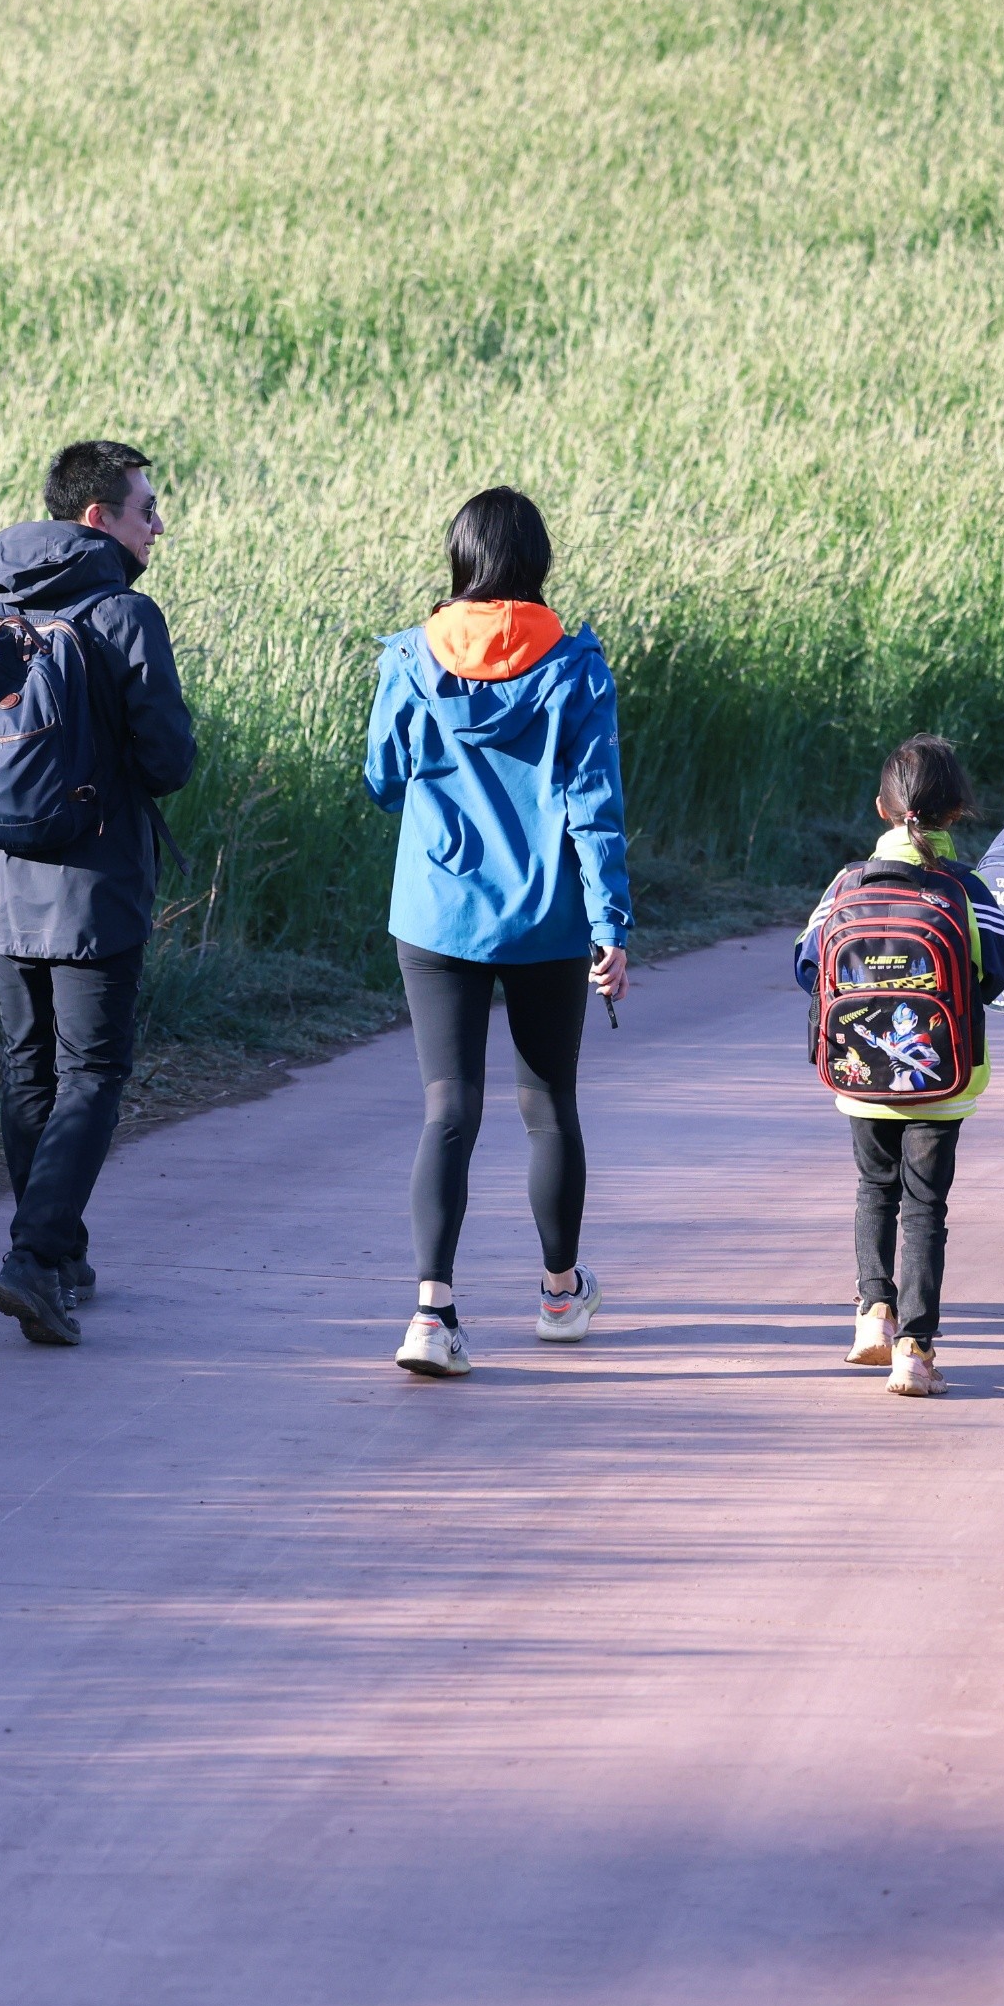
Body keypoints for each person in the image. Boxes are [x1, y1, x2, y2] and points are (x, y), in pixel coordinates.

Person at [360, 487, 633, 1379]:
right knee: (549, 1108)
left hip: (436, 913)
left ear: (460, 560)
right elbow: (595, 809)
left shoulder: (408, 656)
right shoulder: (578, 665)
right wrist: (611, 925)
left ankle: (431, 1316)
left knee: (449, 1110)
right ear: (537, 564)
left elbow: (383, 778)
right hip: (549, 919)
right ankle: (560, 1295)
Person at [0, 440, 198, 1346]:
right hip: (97, 884)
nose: (158, 525)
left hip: (3, 884)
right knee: (92, 1072)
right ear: (99, 519)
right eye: (146, 509)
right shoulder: (123, 612)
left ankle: (60, 1254)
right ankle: (35, 1255)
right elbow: (169, 760)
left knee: (28, 1070)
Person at [796, 736, 1004, 1398]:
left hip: (860, 1079)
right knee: (925, 1206)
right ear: (957, 812)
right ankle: (915, 1349)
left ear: (882, 808)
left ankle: (871, 1316)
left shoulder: (845, 883)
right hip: (940, 1082)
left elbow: (808, 965)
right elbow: (997, 972)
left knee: (873, 1190)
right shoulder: (969, 886)